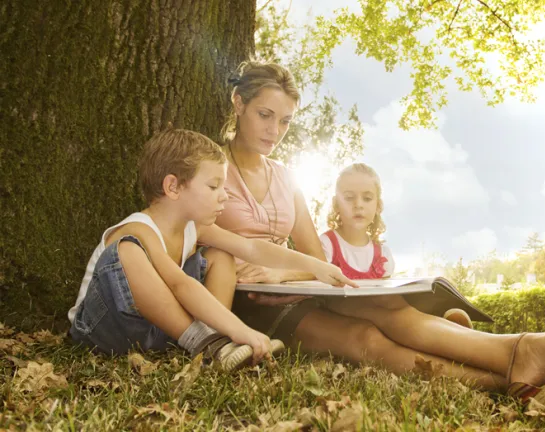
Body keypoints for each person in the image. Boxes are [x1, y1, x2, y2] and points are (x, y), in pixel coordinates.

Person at [220, 60, 545, 407]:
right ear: (239, 104)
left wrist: (282, 274)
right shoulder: (212, 168)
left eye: (286, 120)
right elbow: (201, 246)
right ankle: (510, 377)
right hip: (249, 307)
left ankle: (526, 356)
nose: (275, 130)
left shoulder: (286, 177)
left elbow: (319, 263)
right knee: (365, 337)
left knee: (392, 309)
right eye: (265, 115)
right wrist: (266, 277)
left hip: (296, 288)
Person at [68, 128, 355, 372]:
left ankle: (213, 340)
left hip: (159, 331)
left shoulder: (196, 228)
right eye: (214, 185)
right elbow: (180, 286)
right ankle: (210, 341)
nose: (224, 194)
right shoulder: (138, 229)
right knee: (127, 251)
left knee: (221, 255)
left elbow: (251, 248)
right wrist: (240, 329)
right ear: (173, 187)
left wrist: (317, 266)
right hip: (103, 329)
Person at [320, 162, 474, 328]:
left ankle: (449, 329)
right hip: (343, 320)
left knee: (398, 310)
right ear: (336, 204)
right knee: (395, 317)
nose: (358, 204)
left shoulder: (383, 254)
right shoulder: (327, 244)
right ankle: (445, 328)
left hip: (380, 319)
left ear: (378, 206)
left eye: (367, 198)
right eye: (349, 198)